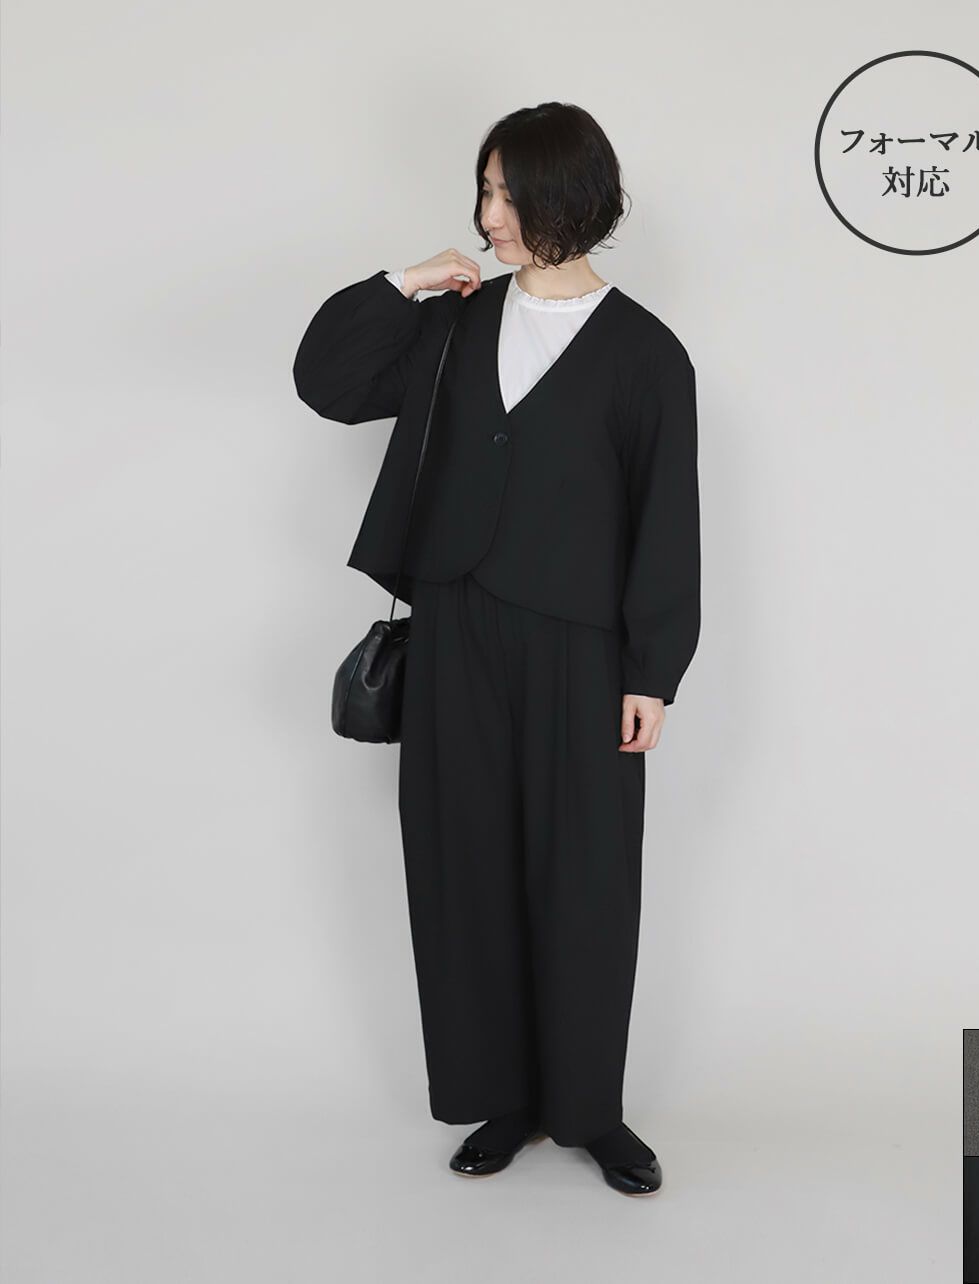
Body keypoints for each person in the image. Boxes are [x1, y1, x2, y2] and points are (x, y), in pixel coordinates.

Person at [293, 101, 701, 1196]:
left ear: (574, 197)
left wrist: (651, 673)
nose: (490, 217)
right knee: (461, 866)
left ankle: (589, 1110)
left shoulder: (647, 355)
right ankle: (503, 1098)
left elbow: (667, 521)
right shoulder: (454, 324)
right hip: (455, 632)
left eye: (510, 195)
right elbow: (327, 383)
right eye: (485, 191)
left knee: (586, 878)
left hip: (582, 650)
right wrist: (403, 284)